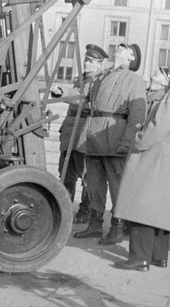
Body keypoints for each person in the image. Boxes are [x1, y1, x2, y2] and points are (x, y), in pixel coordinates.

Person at [112, 65, 170, 271]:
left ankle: (139, 258)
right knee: (159, 208)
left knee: (141, 205)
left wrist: (137, 141)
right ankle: (158, 256)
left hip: (155, 154)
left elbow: (156, 127)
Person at [74, 43, 146, 245]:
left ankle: (118, 227)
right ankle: (95, 224)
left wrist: (127, 141)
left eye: (125, 48)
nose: (119, 48)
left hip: (114, 136)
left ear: (131, 58)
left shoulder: (134, 80)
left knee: (117, 186)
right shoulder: (101, 75)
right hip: (94, 134)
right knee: (94, 184)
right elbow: (83, 96)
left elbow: (137, 114)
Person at [52, 44, 107, 223]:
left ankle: (85, 211)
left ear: (100, 64)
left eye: (92, 61)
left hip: (84, 130)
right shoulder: (80, 78)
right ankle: (65, 208)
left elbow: (83, 96)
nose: (87, 64)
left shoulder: (100, 81)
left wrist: (62, 91)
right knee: (66, 172)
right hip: (70, 130)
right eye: (86, 60)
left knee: (86, 175)